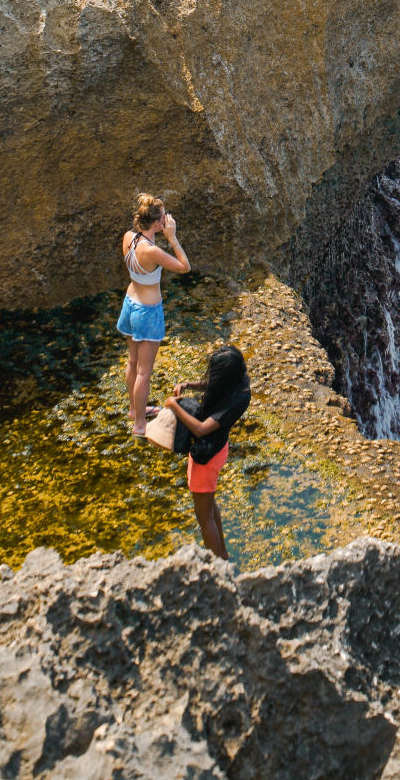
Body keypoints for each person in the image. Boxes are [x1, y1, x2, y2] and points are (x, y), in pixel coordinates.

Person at [167, 345, 251, 562]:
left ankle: (217, 567)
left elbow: (201, 429)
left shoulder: (240, 400)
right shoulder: (239, 381)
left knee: (204, 519)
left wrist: (173, 406)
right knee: (210, 504)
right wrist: (189, 385)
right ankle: (222, 554)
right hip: (219, 448)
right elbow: (215, 385)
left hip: (208, 457)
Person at [116, 194, 190, 436]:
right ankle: (139, 425)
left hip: (130, 303)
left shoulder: (129, 237)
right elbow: (184, 267)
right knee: (144, 372)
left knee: (132, 362)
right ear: (158, 224)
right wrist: (172, 237)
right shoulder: (152, 250)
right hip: (148, 312)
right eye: (165, 218)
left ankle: (134, 410)